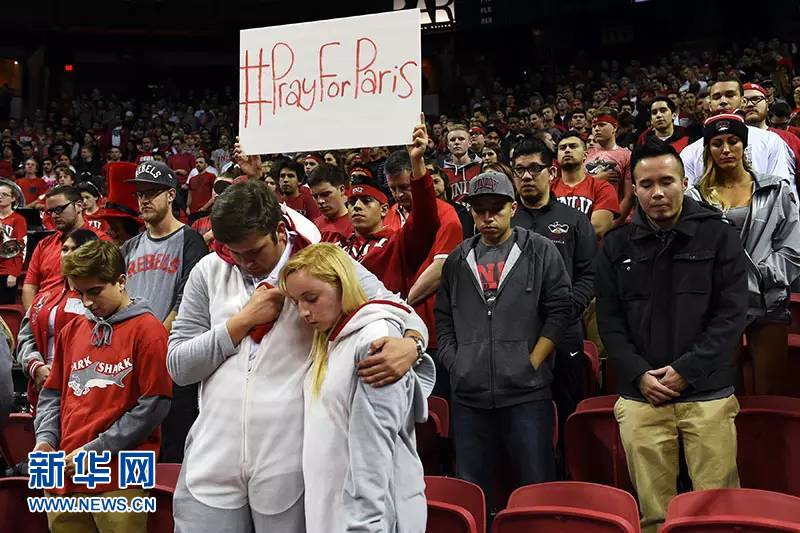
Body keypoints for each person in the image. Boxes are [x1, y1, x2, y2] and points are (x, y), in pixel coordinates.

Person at [167, 177, 434, 532]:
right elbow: (179, 367)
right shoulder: (209, 270)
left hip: (288, 461)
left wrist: (413, 345)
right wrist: (241, 323)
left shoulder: (320, 265)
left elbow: (400, 309)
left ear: (279, 231)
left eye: (254, 252)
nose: (244, 263)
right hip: (212, 454)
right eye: (234, 253)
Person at [596, 139, 748, 533]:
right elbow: (610, 322)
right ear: (634, 189)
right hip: (642, 397)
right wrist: (639, 375)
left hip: (707, 394)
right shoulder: (615, 245)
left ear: (685, 183)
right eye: (646, 185)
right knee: (654, 517)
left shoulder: (718, 235)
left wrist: (687, 371)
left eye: (667, 181)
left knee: (718, 515)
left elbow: (731, 314)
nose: (658, 192)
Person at [435, 170, 571, 512]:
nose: (487, 217)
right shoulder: (457, 259)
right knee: (474, 495)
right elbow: (444, 318)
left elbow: (559, 312)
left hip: (527, 394)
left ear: (513, 207)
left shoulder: (540, 250)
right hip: (469, 397)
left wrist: (532, 361)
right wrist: (457, 362)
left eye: (496, 208)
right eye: (479, 209)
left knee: (536, 492)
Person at [280, 243, 426, 532]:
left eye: (311, 298)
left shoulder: (376, 340)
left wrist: (365, 525)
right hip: (332, 511)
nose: (303, 312)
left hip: (368, 520)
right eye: (297, 302)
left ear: (342, 285)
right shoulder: (330, 340)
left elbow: (373, 452)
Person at [32, 240, 173, 533]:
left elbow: (154, 405)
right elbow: (53, 393)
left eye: (95, 291)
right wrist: (45, 439)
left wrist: (96, 449)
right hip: (65, 472)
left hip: (122, 474)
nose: (86, 302)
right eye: (79, 293)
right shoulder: (72, 330)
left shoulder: (149, 331)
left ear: (121, 281)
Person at [686, 114, 800, 396]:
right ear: (708, 149)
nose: (726, 149)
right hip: (718, 303)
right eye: (717, 143)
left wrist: (760, 277)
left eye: (733, 141)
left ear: (744, 145)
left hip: (768, 299)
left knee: (770, 392)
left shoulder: (775, 188)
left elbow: (793, 246)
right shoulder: (694, 197)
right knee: (722, 392)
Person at [121, 160, 208, 462]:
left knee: (173, 453)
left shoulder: (190, 241)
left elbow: (187, 301)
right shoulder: (130, 247)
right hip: (134, 361)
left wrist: (153, 341)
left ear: (171, 195)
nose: (144, 200)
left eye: (152, 193)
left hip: (171, 361)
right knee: (137, 449)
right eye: (140, 194)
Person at [509, 139, 596, 429]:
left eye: (535, 168)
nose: (526, 176)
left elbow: (589, 275)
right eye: (519, 170)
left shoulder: (575, 220)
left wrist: (566, 311)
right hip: (516, 332)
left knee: (567, 405)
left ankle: (568, 459)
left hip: (564, 330)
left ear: (552, 172)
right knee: (522, 412)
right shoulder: (505, 222)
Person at [384, 148, 463, 397]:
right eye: (393, 189)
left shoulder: (447, 216)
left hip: (433, 332)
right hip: (396, 333)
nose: (399, 195)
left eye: (405, 187)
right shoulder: (389, 215)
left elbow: (439, 270)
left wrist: (400, 305)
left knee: (435, 406)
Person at [18, 229, 98, 413]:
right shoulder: (44, 297)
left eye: (75, 249)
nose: (67, 255)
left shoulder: (100, 298)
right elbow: (26, 338)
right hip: (45, 390)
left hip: (84, 389)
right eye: (64, 249)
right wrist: (36, 367)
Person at [681, 77, 793, 186]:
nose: (723, 101)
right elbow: (688, 194)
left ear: (743, 102)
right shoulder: (690, 152)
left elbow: (780, 187)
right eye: (717, 97)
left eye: (730, 95)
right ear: (710, 105)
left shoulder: (770, 140)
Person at [22, 185, 110, 309]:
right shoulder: (44, 244)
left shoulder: (100, 240)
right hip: (42, 312)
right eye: (50, 211)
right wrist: (31, 316)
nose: (54, 216)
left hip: (82, 313)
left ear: (79, 205)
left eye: (59, 209)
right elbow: (30, 286)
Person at [552, 131, 620, 237]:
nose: (567, 150)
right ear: (557, 157)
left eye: (573, 146)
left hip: (587, 248)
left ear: (585, 155)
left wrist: (557, 235)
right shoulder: (548, 188)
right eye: (562, 148)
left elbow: (598, 229)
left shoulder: (603, 188)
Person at [585, 108, 634, 225]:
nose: (596, 129)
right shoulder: (585, 155)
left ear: (615, 127)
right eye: (594, 126)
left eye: (601, 125)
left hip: (615, 218)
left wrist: (615, 223)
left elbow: (629, 196)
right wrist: (596, 179)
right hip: (586, 218)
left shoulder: (627, 155)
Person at [742, 82, 800, 177]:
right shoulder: (731, 142)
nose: (749, 104)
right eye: (743, 101)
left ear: (767, 104)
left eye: (756, 99)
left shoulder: (789, 138)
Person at [308, 163, 353, 239]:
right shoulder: (312, 227)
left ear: (342, 190)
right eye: (315, 196)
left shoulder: (357, 225)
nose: (320, 201)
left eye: (326, 194)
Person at [441, 124, 483, 204]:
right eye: (452, 140)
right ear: (448, 145)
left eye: (461, 139)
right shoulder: (442, 173)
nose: (457, 142)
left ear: (470, 143)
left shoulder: (481, 168)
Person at [0, 181, 26, 303]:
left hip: (7, 271)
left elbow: (21, 248)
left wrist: (14, 273)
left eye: (4, 194)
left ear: (13, 198)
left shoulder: (19, 219)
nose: (0, 197)